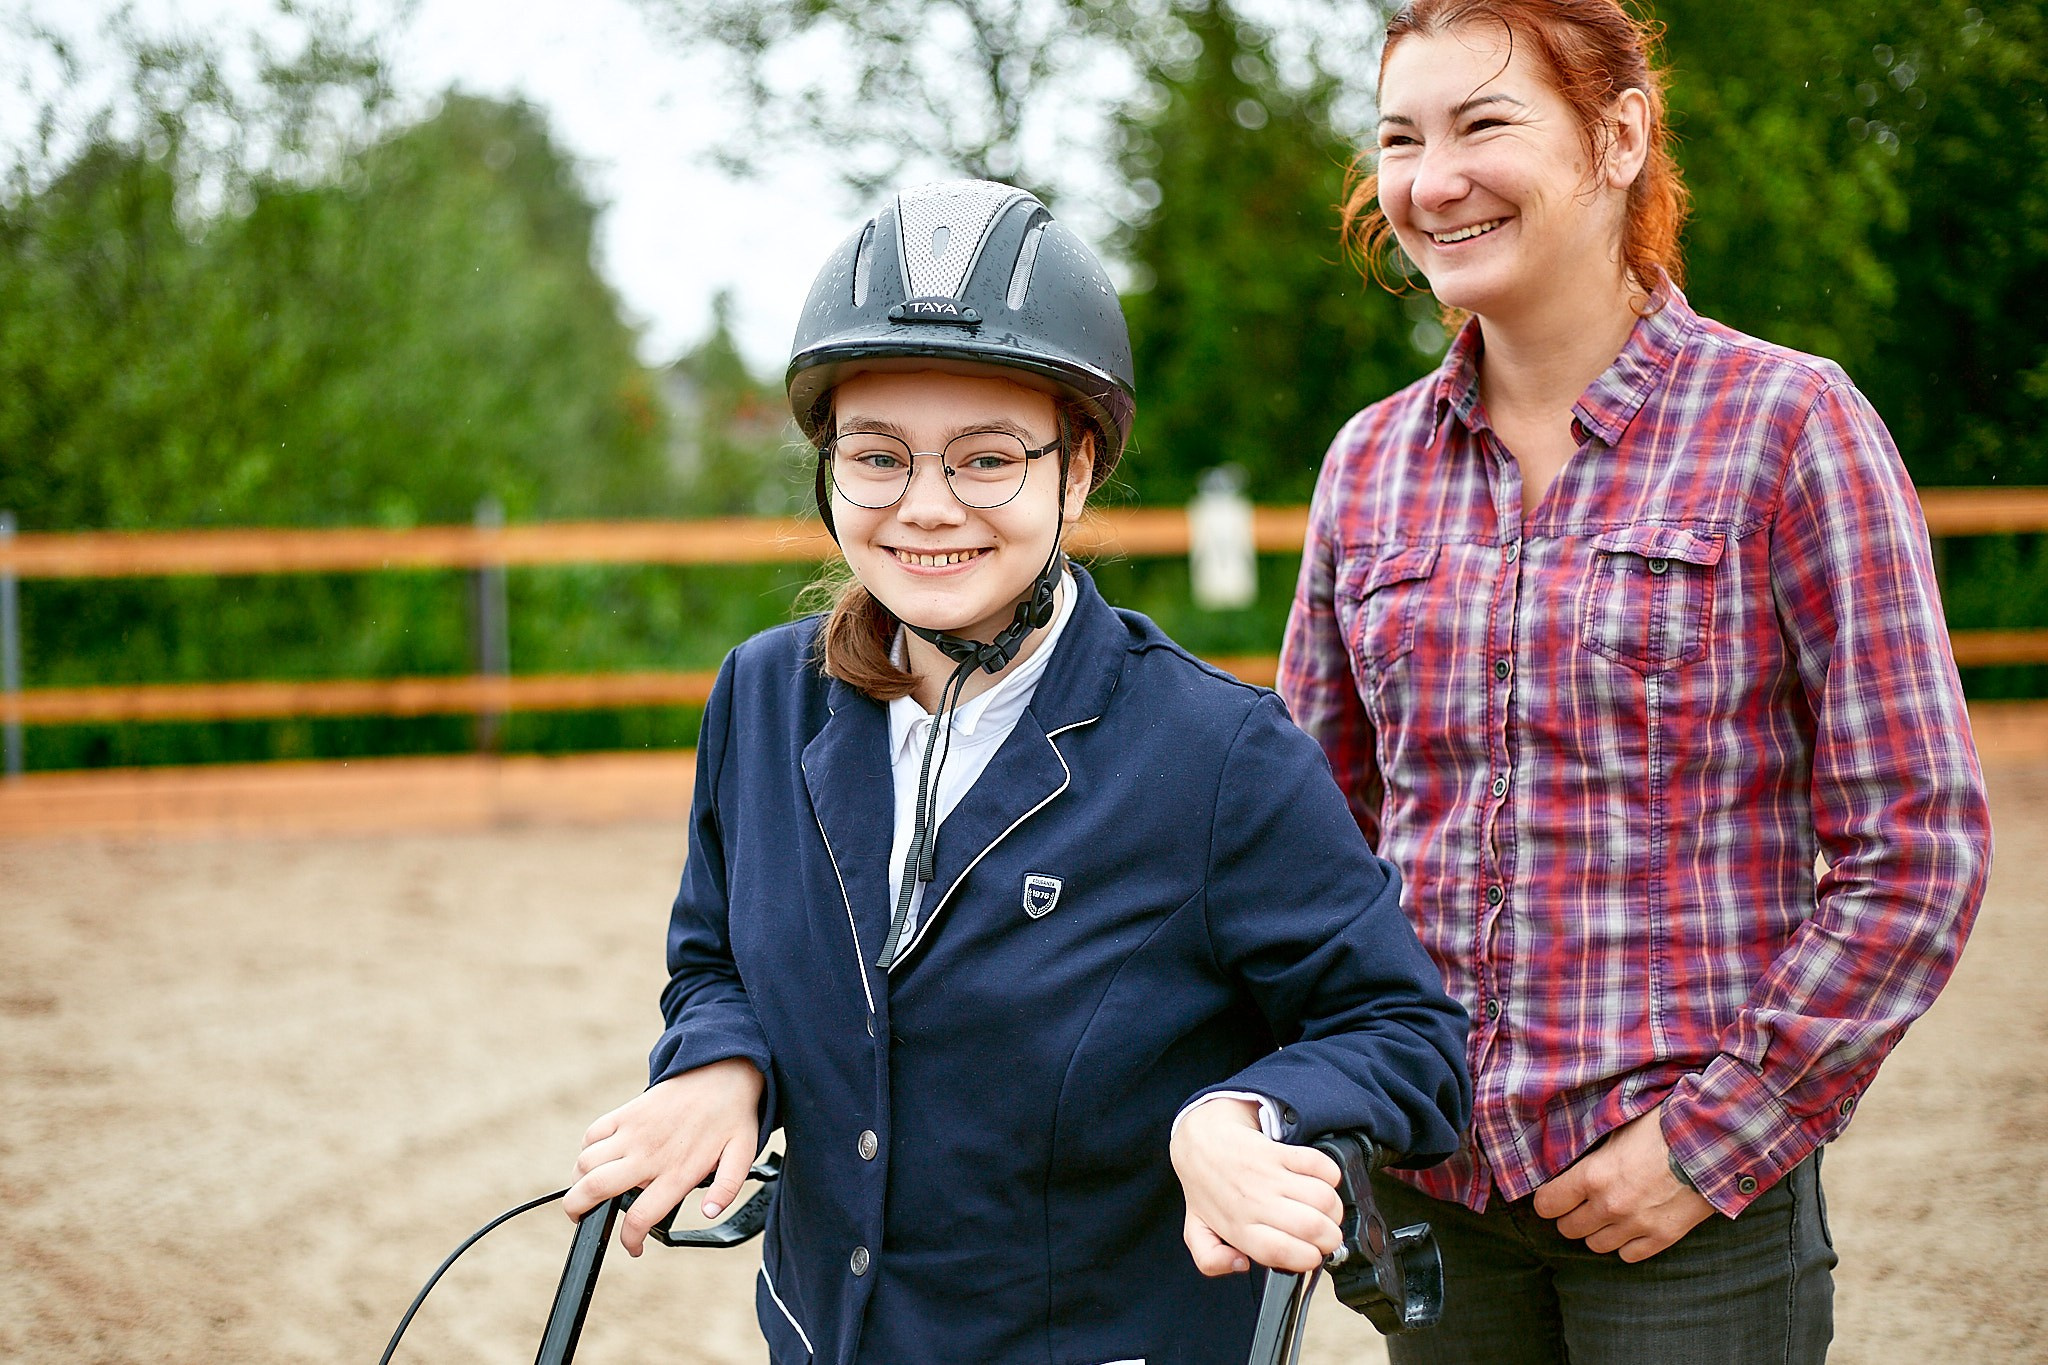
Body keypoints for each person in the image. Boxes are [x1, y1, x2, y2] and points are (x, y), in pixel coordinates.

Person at [565, 178, 1471, 1365]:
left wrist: (1244, 1111)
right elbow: (715, 959)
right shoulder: (762, 696)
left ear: (1076, 468)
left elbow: (1406, 1035)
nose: (925, 509)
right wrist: (719, 1064)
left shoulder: (1219, 756)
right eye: (876, 458)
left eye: (986, 460)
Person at [1277, 3, 1994, 1361]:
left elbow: (1919, 848)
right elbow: (1308, 837)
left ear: (1619, 136)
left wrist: (1716, 1136)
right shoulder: (1366, 464)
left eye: (1485, 124)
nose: (1432, 180)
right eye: (1400, 138)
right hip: (1434, 1195)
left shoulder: (1791, 428)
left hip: (1689, 1229)